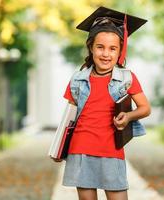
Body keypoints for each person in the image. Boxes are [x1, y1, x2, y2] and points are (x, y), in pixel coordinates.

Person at [52, 6, 151, 200]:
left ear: (120, 51)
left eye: (112, 48)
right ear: (91, 47)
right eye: (100, 47)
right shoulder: (77, 79)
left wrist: (129, 116)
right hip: (80, 150)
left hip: (111, 150)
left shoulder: (127, 79)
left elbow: (145, 108)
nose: (106, 54)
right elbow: (68, 118)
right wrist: (58, 148)